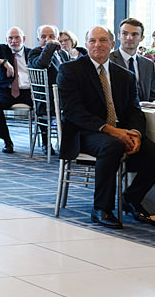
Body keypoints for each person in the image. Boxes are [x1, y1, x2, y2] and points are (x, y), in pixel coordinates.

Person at [57, 26, 155, 228]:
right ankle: (102, 208)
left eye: (103, 41)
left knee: (152, 151)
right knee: (112, 145)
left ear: (112, 44)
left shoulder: (124, 75)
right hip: (84, 132)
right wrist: (112, 131)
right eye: (92, 41)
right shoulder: (71, 70)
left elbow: (134, 110)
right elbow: (74, 112)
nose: (97, 45)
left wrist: (135, 134)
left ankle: (132, 198)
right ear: (86, 44)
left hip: (119, 132)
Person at [0, 27, 32, 154]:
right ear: (6, 40)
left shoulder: (31, 53)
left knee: (43, 103)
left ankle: (46, 143)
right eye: (10, 38)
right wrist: (4, 62)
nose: (14, 41)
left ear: (23, 39)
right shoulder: (2, 50)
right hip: (5, 91)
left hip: (27, 92)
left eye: (17, 37)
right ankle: (7, 141)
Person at [111, 18, 155, 102]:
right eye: (125, 33)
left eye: (134, 34)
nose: (129, 38)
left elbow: (152, 95)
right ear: (118, 36)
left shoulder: (148, 64)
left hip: (145, 113)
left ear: (142, 38)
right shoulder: (108, 60)